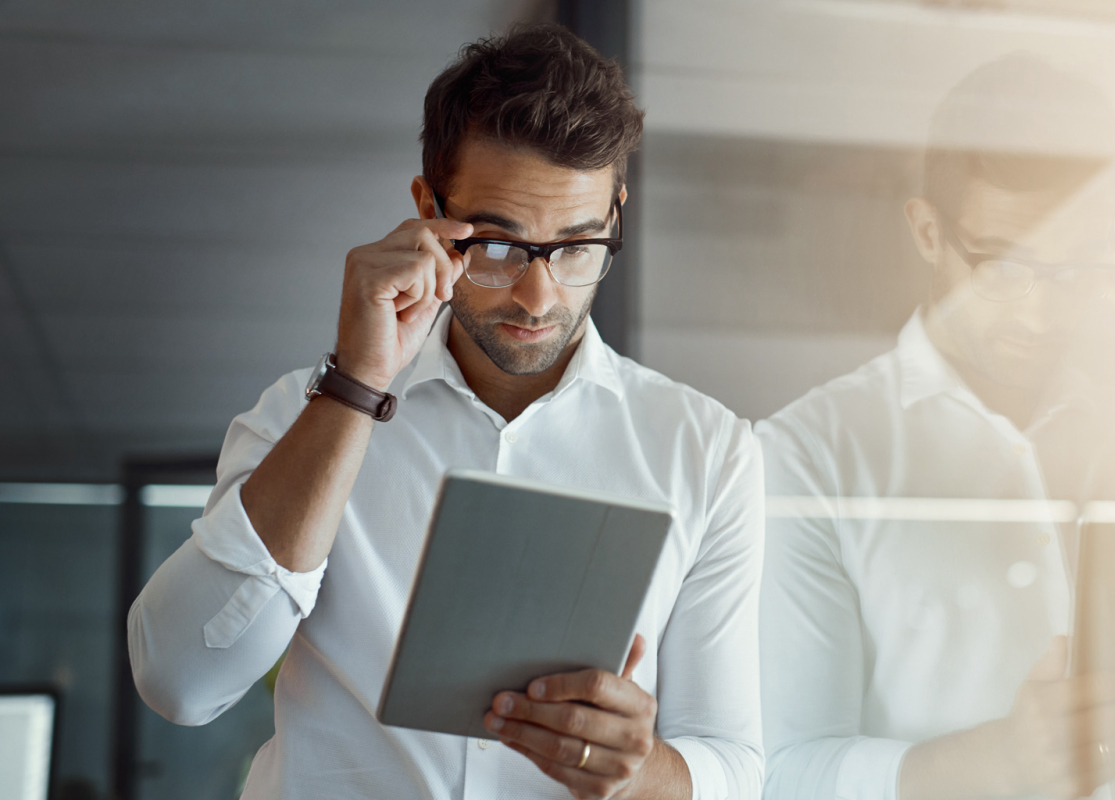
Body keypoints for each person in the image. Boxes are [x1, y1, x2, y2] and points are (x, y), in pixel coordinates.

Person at [128, 24, 763, 800]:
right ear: (429, 209)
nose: (540, 295)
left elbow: (734, 764)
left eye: (577, 246)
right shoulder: (301, 413)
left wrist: (640, 773)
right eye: (497, 245)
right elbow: (181, 683)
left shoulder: (705, 450)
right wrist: (356, 386)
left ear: (616, 214)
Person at [757, 54, 1115, 800]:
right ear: (926, 230)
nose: (1042, 314)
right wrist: (997, 768)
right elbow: (783, 770)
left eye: (1080, 267)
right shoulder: (810, 455)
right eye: (1005, 266)